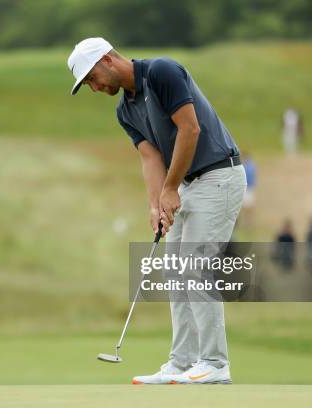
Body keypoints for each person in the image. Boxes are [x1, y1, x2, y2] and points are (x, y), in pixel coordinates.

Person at [68, 38, 246, 385]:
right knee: (174, 272)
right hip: (189, 184)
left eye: (91, 78)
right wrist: (155, 204)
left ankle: (214, 362)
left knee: (194, 267)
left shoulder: (162, 71)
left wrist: (169, 188)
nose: (93, 87)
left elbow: (189, 129)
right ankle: (182, 363)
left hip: (220, 175)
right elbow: (151, 158)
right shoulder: (124, 110)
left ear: (106, 59)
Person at [241, 151, 257, 226]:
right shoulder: (250, 164)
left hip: (248, 187)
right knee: (246, 206)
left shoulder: (247, 165)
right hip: (248, 187)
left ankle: (248, 221)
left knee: (247, 206)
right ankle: (247, 221)